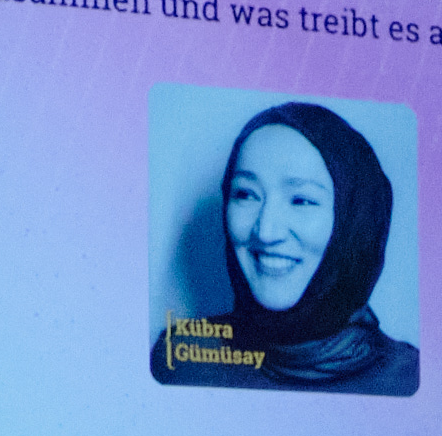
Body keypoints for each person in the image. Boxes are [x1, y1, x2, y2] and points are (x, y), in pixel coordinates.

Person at [151, 102, 419, 395]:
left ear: (355, 221)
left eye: (301, 200)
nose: (266, 232)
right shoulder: (182, 359)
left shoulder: (409, 379)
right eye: (246, 194)